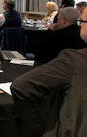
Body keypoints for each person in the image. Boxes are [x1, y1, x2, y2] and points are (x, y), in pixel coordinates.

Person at [10, 8, 87, 137]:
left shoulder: (73, 59)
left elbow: (20, 87)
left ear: (62, 20)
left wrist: (38, 127)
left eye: (83, 21)